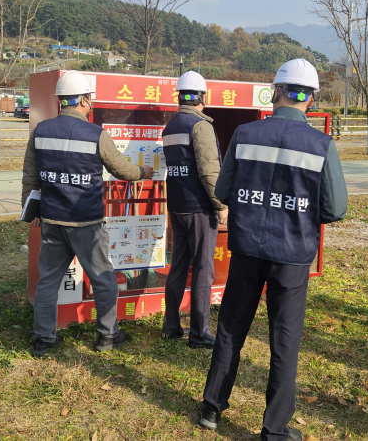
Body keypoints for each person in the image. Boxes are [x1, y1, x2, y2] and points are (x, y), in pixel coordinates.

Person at [198, 59, 348, 441]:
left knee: (231, 327)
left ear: (275, 90)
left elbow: (222, 192)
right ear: (311, 99)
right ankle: (275, 429)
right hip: (292, 257)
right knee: (284, 340)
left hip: (247, 248)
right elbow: (334, 209)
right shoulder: (321, 144)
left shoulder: (246, 135)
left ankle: (212, 408)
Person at [21, 70, 154, 355]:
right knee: (103, 277)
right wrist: (144, 171)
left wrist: (29, 209)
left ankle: (44, 340)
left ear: (60, 101)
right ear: (84, 100)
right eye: (89, 99)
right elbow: (121, 169)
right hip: (87, 223)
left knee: (49, 281)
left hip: (52, 220)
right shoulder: (96, 134)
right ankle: (108, 336)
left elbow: (30, 175)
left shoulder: (40, 131)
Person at [160, 70, 228, 348]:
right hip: (199, 208)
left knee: (178, 265)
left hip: (177, 206)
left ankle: (171, 325)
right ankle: (200, 333)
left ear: (180, 97)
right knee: (203, 268)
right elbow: (210, 172)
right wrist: (220, 205)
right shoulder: (200, 126)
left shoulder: (170, 126)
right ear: (203, 97)